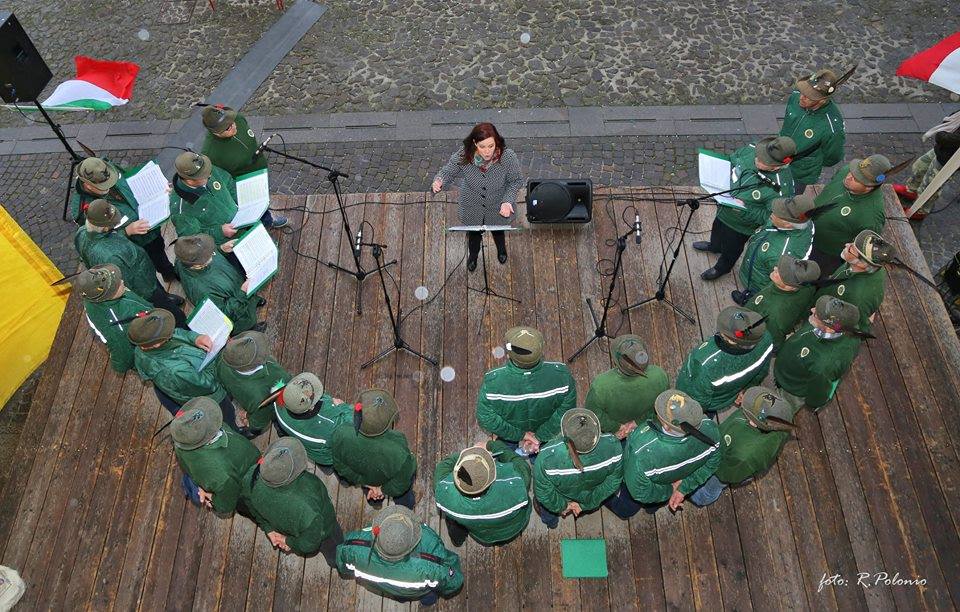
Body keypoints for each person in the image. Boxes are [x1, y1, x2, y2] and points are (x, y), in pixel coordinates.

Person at [694, 136, 796, 280]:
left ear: (777, 166)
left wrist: (745, 208)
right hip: (723, 207)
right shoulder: (754, 149)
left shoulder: (781, 191)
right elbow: (733, 158)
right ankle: (714, 246)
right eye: (759, 156)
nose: (757, 160)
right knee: (717, 227)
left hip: (740, 225)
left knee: (732, 248)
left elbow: (770, 217)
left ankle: (721, 268)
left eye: (763, 161)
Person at [74, 199, 185, 325]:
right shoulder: (112, 256)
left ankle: (166, 299)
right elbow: (126, 282)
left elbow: (108, 238)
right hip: (145, 288)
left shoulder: (81, 232)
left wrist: (124, 232)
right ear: (104, 227)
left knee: (162, 298)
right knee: (172, 313)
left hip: (145, 279)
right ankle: (180, 324)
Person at [613, 390, 721, 517]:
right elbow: (713, 462)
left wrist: (670, 490)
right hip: (666, 481)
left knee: (624, 508)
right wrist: (682, 489)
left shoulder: (641, 450)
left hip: (644, 480)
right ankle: (651, 508)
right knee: (651, 504)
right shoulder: (711, 429)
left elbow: (640, 492)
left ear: (667, 425)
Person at [431, 122, 524, 271]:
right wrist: (439, 180)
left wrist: (507, 201)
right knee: (474, 235)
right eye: (482, 146)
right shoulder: (465, 154)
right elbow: (448, 171)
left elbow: (516, 181)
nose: (487, 152)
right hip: (471, 204)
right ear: (475, 143)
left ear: (497, 142)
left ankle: (501, 250)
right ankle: (473, 255)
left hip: (498, 203)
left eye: (491, 146)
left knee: (498, 231)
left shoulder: (507, 157)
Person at [69, 156, 177, 281]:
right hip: (133, 245)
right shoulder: (84, 211)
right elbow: (99, 240)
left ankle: (168, 273)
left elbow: (129, 180)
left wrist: (159, 189)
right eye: (103, 186)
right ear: (88, 185)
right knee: (145, 271)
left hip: (150, 228)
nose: (109, 187)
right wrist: (126, 232)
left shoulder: (108, 169)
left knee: (159, 251)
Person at [128, 308, 237, 428]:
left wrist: (195, 338)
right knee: (227, 415)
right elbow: (207, 385)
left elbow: (176, 333)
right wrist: (220, 355)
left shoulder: (149, 342)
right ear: (156, 344)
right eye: (167, 334)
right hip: (212, 396)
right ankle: (234, 431)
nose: (171, 332)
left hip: (198, 373)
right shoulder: (172, 371)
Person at [476, 326, 577, 456]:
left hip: (510, 431)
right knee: (542, 456)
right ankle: (537, 458)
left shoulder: (493, 382)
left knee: (507, 453)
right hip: (545, 431)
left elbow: (486, 418)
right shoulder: (562, 376)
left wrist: (521, 435)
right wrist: (539, 437)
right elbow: (565, 412)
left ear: (508, 355)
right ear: (541, 352)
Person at [241, 438, 342, 565]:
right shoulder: (310, 490)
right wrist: (290, 542)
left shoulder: (250, 478)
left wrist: (269, 529)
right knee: (334, 548)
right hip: (321, 530)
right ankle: (336, 560)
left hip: (286, 525)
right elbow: (310, 544)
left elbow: (251, 506)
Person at [336, 505, 463, 606]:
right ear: (411, 546)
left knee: (399, 592)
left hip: (388, 587)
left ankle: (401, 597)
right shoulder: (430, 566)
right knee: (427, 596)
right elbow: (454, 582)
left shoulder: (352, 549)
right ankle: (426, 601)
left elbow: (341, 562)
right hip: (417, 589)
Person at [689, 386, 795, 506]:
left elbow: (728, 474)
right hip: (729, 446)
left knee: (711, 487)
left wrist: (709, 467)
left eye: (750, 415)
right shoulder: (781, 416)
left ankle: (700, 498)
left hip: (724, 469)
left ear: (755, 424)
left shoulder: (745, 455)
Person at [533, 408, 624, 528]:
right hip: (588, 496)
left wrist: (563, 506)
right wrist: (585, 505)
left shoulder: (547, 458)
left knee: (545, 508)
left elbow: (544, 493)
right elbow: (612, 483)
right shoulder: (614, 448)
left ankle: (552, 523)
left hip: (560, 496)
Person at [199, 104, 287, 228]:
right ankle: (265, 224)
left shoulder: (238, 119)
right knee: (255, 209)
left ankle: (266, 216)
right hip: (244, 186)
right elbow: (217, 181)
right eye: (227, 128)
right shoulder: (210, 154)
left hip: (260, 172)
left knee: (264, 200)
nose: (233, 127)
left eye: (232, 122)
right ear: (215, 132)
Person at [675, 307, 774, 413]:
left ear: (731, 339)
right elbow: (761, 373)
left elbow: (695, 400)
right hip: (727, 396)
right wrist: (746, 390)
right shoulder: (766, 339)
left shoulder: (704, 363)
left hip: (708, 402)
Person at [433, 439, 532, 546]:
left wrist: (466, 456)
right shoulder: (517, 482)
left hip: (483, 535)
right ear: (491, 476)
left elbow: (443, 466)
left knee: (454, 522)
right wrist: (491, 445)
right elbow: (519, 463)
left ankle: (457, 541)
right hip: (514, 527)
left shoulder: (444, 493)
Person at [330, 389, 417, 509]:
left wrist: (366, 484)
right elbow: (401, 483)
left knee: (368, 488)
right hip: (386, 479)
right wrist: (381, 490)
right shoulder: (399, 449)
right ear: (388, 423)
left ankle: (374, 502)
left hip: (364, 478)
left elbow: (340, 466)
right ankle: (406, 508)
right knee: (405, 498)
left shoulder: (340, 434)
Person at [774, 296, 864, 412]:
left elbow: (819, 392)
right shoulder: (844, 323)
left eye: (817, 315)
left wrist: (813, 404)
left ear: (830, 329)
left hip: (792, 389)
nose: (812, 310)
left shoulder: (824, 364)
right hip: (789, 369)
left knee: (780, 411)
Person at [170, 397, 259, 515]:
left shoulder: (182, 440)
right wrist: (212, 498)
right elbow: (226, 505)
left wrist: (205, 492)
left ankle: (194, 488)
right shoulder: (219, 473)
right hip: (247, 482)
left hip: (212, 474)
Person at [808, 154, 891, 276]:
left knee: (814, 276)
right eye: (852, 172)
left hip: (826, 253)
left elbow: (862, 247)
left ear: (869, 187)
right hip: (806, 231)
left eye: (856, 179)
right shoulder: (847, 171)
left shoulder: (872, 216)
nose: (848, 177)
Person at [583, 334, 670, 440]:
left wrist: (618, 427)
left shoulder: (601, 386)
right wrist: (637, 422)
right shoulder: (660, 375)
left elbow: (593, 414)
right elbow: (662, 405)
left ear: (616, 361)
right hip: (646, 430)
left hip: (616, 433)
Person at [733, 194, 816, 304]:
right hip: (758, 268)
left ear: (787, 224)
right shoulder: (801, 221)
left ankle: (749, 300)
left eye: (776, 213)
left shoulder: (782, 254)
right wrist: (744, 207)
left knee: (756, 296)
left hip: (758, 282)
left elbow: (777, 284)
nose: (772, 214)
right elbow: (765, 217)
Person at [174, 233, 264, 333]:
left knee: (250, 300)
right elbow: (225, 314)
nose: (213, 253)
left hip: (236, 285)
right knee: (246, 322)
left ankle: (254, 301)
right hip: (238, 313)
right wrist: (242, 293)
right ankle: (250, 329)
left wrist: (221, 249)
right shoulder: (201, 290)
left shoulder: (185, 258)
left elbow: (210, 253)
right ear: (197, 265)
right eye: (209, 255)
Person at [779, 68, 849, 194]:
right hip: (779, 153)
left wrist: (811, 159)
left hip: (802, 170)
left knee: (789, 198)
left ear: (822, 100)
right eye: (802, 91)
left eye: (808, 96)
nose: (801, 97)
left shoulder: (832, 127)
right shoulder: (796, 96)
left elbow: (833, 156)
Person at [74, 264, 154, 373]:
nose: (121, 282)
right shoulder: (115, 325)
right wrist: (120, 366)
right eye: (116, 286)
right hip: (149, 351)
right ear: (106, 297)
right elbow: (122, 350)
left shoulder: (93, 297)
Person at [814, 229, 897, 330]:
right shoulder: (862, 264)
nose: (846, 245)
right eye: (852, 242)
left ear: (861, 264)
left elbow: (853, 327)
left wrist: (824, 327)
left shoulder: (860, 299)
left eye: (851, 249)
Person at [215, 331, 290, 436]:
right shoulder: (260, 395)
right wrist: (252, 424)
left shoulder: (222, 362)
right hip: (273, 402)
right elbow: (259, 422)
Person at [273, 372, 352, 469]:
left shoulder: (280, 401)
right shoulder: (329, 426)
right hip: (328, 456)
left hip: (312, 451)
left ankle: (324, 467)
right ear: (310, 408)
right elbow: (352, 423)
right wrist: (343, 407)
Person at [895, 109, 960, 220]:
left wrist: (942, 134)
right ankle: (912, 189)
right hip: (942, 150)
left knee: (931, 185)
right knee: (920, 166)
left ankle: (921, 210)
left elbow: (948, 139)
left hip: (950, 159)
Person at [745, 255, 821, 349]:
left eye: (780, 272)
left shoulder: (775, 316)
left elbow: (773, 341)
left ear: (790, 285)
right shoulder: (807, 286)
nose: (775, 268)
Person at [169, 152, 240, 246]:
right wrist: (219, 232)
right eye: (205, 176)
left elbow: (229, 182)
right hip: (230, 242)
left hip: (245, 218)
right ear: (190, 180)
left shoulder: (205, 170)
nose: (210, 175)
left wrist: (242, 201)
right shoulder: (180, 211)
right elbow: (194, 239)